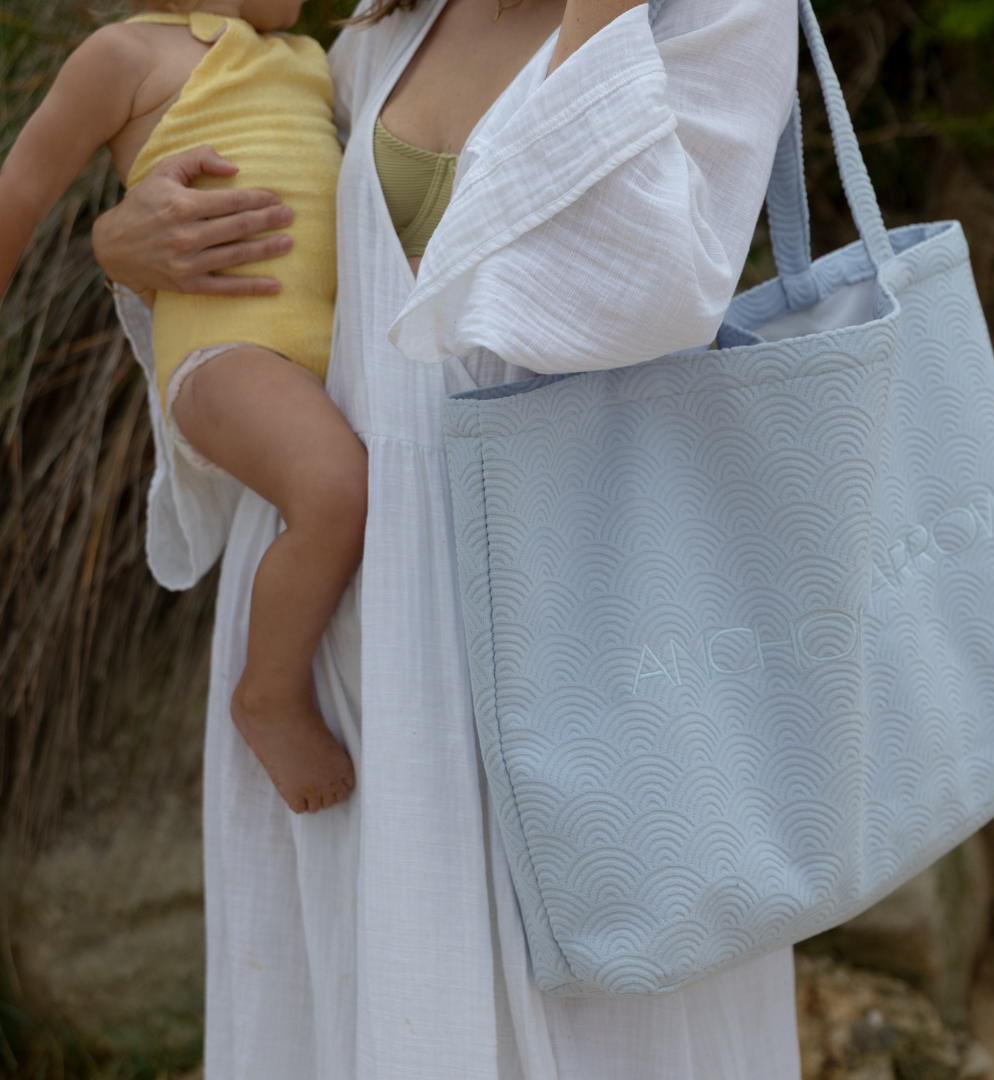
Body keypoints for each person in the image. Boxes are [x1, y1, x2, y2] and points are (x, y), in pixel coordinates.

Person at [93, 0, 804, 1074]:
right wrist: (125, 244)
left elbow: (651, 289)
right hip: (362, 623)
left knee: (618, 1020)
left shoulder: (712, 12)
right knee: (381, 1000)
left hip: (589, 606)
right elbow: (284, 286)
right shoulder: (386, 24)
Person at [0, 0, 364, 814]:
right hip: (225, 352)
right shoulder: (124, 55)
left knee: (338, 485)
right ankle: (268, 692)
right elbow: (18, 190)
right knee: (336, 489)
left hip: (323, 357)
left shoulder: (309, 58)